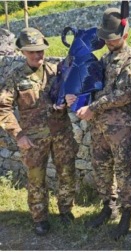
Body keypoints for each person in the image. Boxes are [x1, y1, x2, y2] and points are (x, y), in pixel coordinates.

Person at [66, 7, 131, 240]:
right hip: (100, 127)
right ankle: (107, 207)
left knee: (123, 171)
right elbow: (94, 87)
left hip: (121, 129)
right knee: (100, 167)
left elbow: (124, 95)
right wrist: (77, 97)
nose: (109, 43)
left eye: (113, 39)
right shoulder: (105, 58)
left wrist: (93, 107)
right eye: (106, 39)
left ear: (125, 35)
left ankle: (127, 214)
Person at [0, 27, 78, 236]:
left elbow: (71, 95)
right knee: (36, 179)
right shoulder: (15, 76)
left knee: (67, 173)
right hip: (33, 139)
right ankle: (40, 218)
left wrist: (70, 102)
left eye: (40, 50)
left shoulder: (56, 71)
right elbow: (3, 108)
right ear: (23, 52)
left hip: (61, 132)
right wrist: (18, 134)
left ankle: (66, 210)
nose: (37, 55)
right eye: (32, 51)